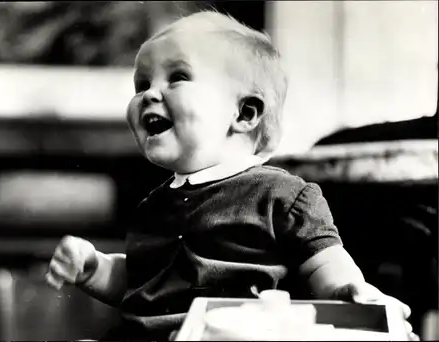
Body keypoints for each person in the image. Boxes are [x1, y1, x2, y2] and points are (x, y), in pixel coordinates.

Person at [46, 10, 416, 341]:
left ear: (244, 114)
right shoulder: (153, 204)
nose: (149, 94)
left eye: (177, 77)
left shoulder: (282, 195)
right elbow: (143, 283)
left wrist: (352, 291)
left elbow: (326, 264)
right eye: (141, 84)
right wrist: (95, 268)